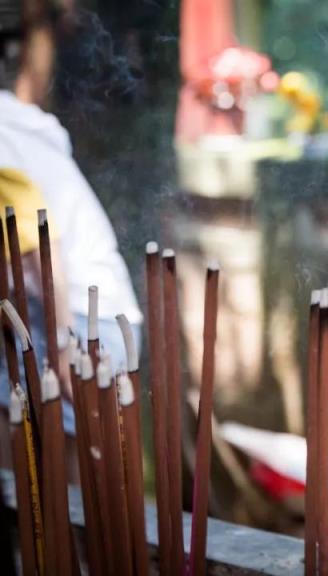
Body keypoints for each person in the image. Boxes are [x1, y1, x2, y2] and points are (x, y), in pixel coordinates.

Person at [0, 5, 142, 443]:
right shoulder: (13, 118)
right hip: (93, 314)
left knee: (73, 457)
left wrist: (63, 346)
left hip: (81, 321)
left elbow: (41, 249)